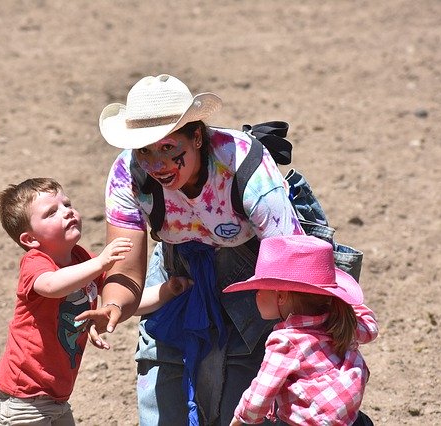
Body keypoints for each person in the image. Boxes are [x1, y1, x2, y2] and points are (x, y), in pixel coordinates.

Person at [76, 74, 303, 425]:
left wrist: (292, 328)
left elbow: (289, 260)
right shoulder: (128, 174)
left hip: (258, 273)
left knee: (242, 395)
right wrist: (113, 306)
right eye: (146, 151)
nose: (157, 164)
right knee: (163, 371)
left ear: (196, 137)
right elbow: (125, 264)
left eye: (168, 147)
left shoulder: (244, 165)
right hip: (178, 266)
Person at [0, 177, 133, 426]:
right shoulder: (35, 262)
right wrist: (100, 262)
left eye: (67, 204)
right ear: (30, 240)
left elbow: (119, 299)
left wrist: (167, 291)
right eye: (51, 212)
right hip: (23, 397)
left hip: (55, 396)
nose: (67, 212)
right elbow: (51, 285)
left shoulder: (79, 258)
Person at [223, 235, 378, 426]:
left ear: (281, 296)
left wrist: (238, 421)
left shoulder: (285, 341)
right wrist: (339, 297)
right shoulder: (339, 322)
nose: (256, 295)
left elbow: (258, 399)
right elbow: (370, 326)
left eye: (261, 289)